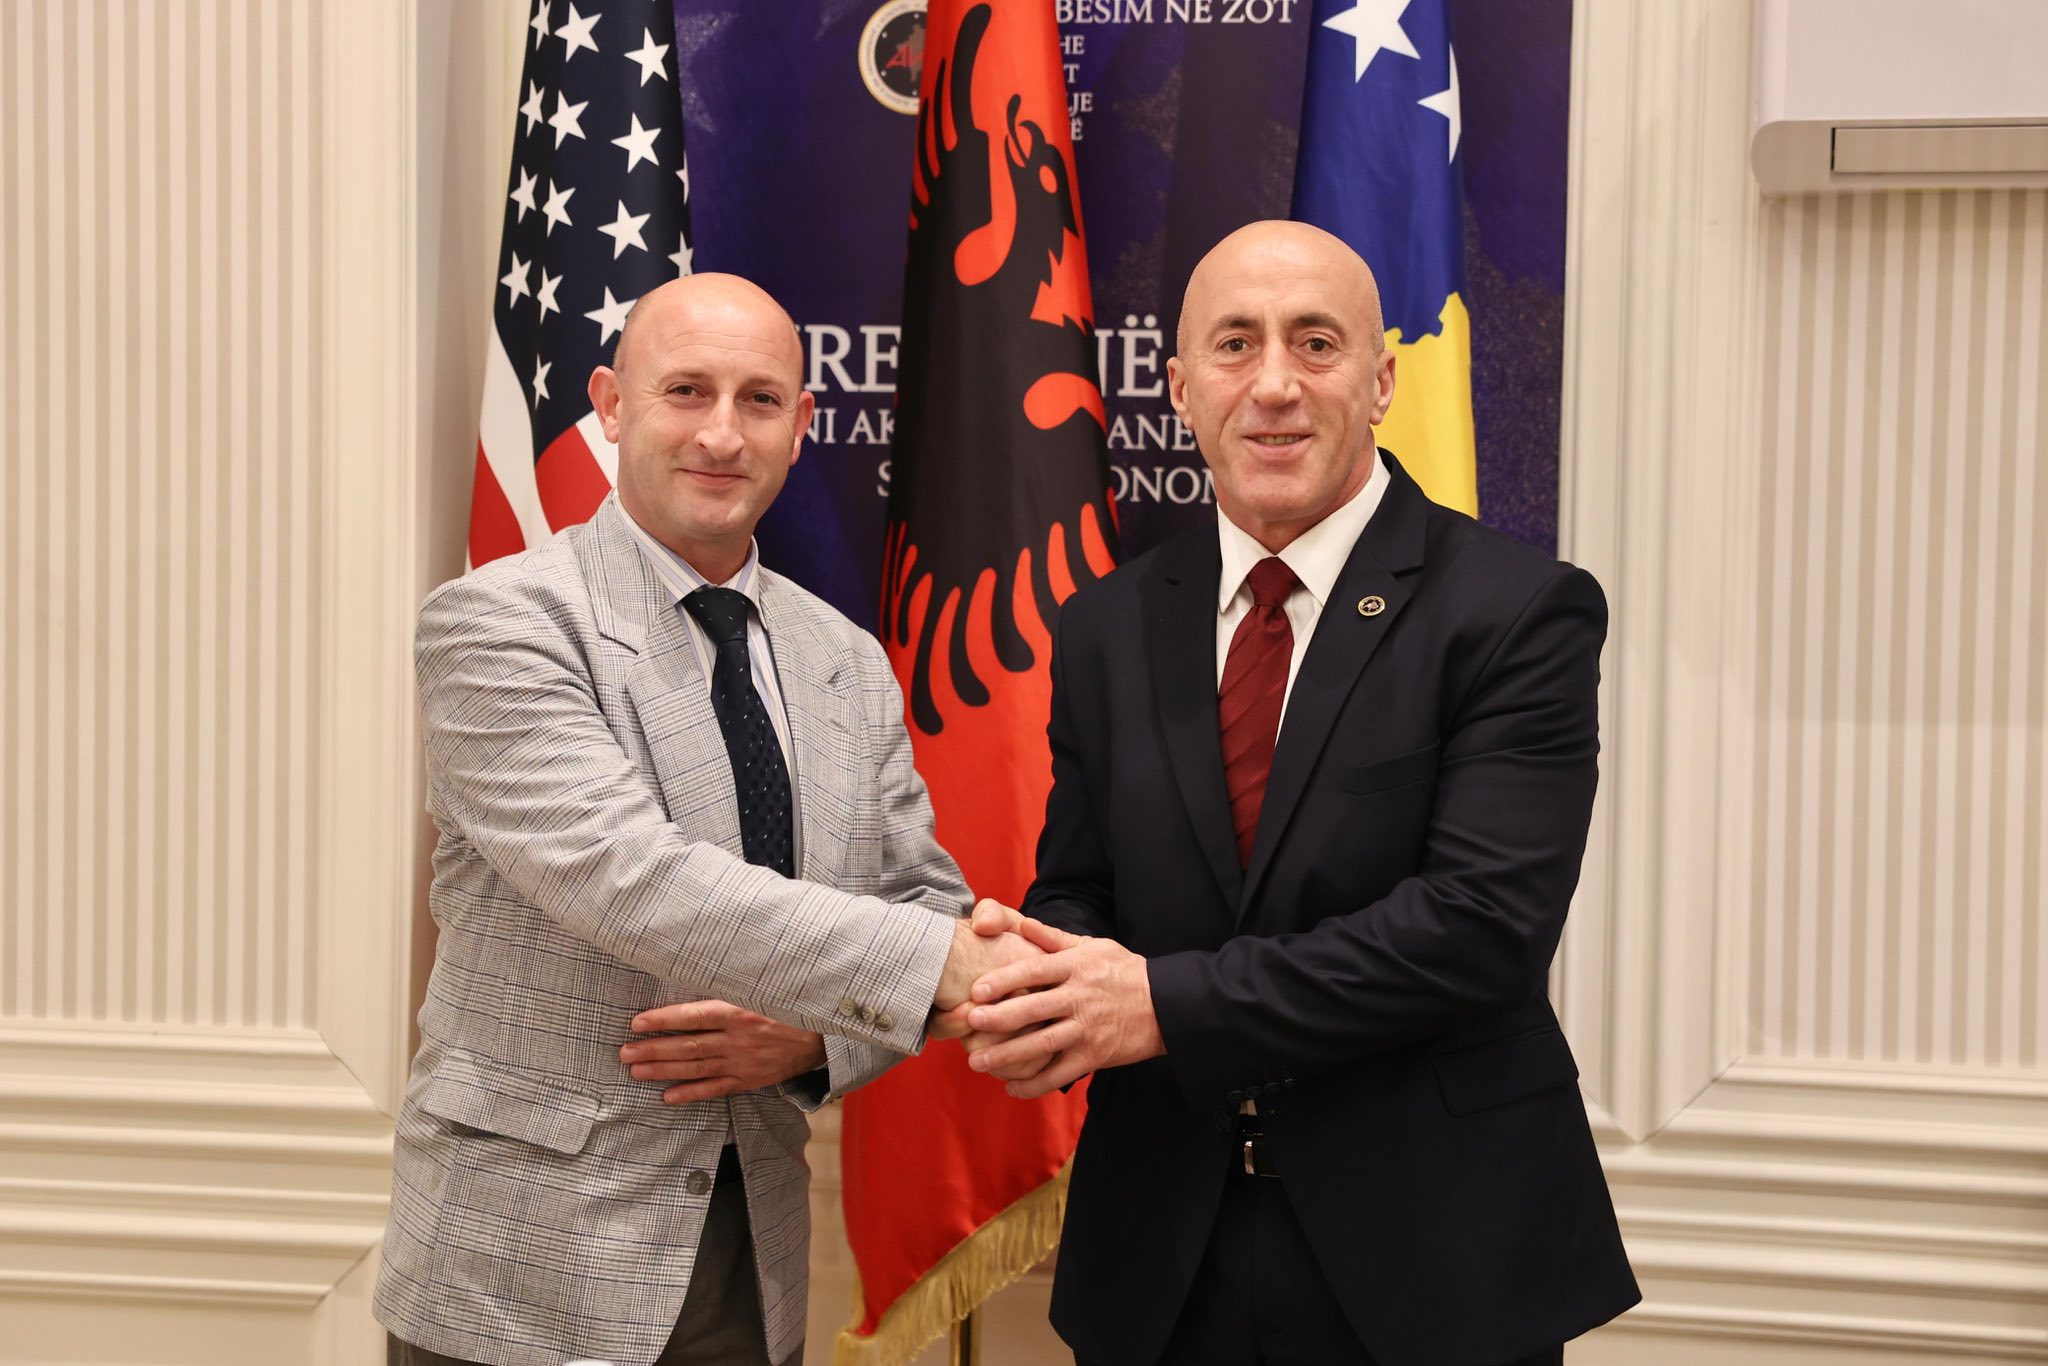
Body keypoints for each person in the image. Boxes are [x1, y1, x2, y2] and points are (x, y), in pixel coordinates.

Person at [955, 221, 1640, 1366]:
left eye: (1314, 343)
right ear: (1180, 388)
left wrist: (1159, 1004)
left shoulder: (1516, 610)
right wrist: (1047, 985)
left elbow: (1478, 929)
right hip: (1160, 1251)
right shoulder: (1105, 625)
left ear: (1380, 382)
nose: (1272, 384)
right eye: (1234, 344)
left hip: (1432, 1253)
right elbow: (1078, 882)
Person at [374, 273, 1032, 1366]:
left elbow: (924, 896)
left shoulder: (844, 659)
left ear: (801, 424)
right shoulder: (498, 623)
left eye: (759, 400)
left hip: (751, 1259)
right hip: (521, 1272)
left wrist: (817, 1035)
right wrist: (952, 966)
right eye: (685, 391)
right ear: (610, 404)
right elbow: (633, 877)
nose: (722, 434)